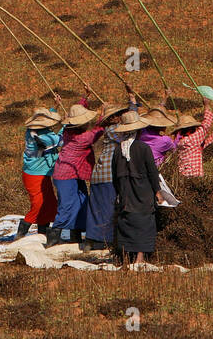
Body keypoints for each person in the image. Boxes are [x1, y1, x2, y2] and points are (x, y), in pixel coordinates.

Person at [82, 92, 135, 252]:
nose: (120, 117)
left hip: (101, 174)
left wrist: (132, 102)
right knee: (107, 207)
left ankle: (92, 239)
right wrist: (133, 106)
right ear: (113, 119)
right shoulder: (114, 130)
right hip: (107, 175)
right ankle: (102, 239)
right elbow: (132, 130)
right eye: (118, 115)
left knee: (97, 206)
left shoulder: (111, 130)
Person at [48, 97, 102, 247]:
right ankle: (54, 236)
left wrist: (86, 97)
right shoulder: (81, 138)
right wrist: (104, 117)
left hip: (75, 173)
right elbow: (97, 131)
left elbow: (78, 110)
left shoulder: (67, 130)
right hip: (66, 175)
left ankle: (76, 234)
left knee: (82, 201)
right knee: (68, 204)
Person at [111, 109, 161, 267]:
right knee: (144, 222)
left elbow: (114, 175)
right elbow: (152, 172)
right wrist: (157, 191)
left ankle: (126, 256)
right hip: (143, 191)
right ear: (139, 130)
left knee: (127, 221)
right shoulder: (143, 148)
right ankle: (139, 257)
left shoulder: (118, 150)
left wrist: (119, 192)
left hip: (126, 192)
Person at [15, 107, 63, 241]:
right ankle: (21, 234)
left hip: (41, 173)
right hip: (35, 175)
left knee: (49, 203)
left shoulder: (31, 131)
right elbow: (61, 140)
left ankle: (42, 234)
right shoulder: (44, 137)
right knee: (39, 204)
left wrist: (55, 107)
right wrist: (67, 126)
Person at [172, 86, 213, 177]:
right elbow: (206, 125)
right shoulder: (193, 138)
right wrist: (206, 105)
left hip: (183, 174)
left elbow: (201, 145)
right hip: (194, 174)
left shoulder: (180, 141)